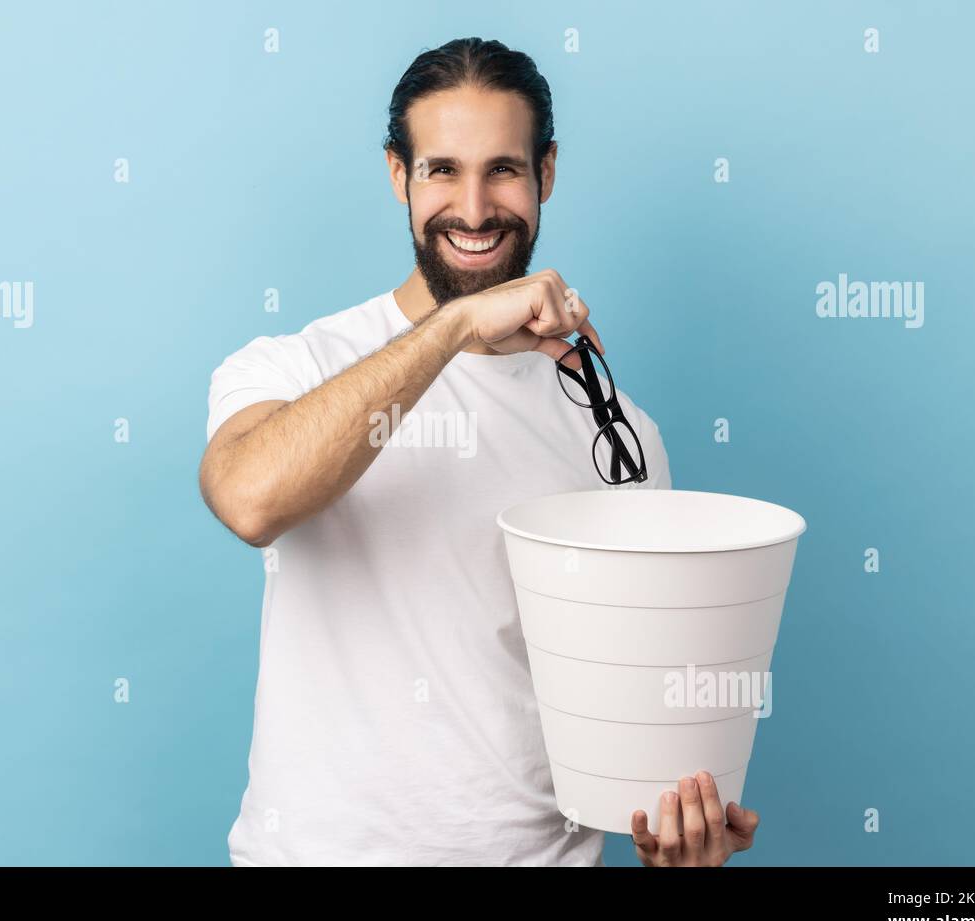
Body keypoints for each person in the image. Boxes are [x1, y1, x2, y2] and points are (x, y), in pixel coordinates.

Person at [198, 37, 759, 866]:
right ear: (399, 176)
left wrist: (674, 838)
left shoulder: (621, 436)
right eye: (440, 171)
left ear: (547, 174)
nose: (472, 207)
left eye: (502, 169)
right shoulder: (294, 367)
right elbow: (249, 499)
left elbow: (636, 700)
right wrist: (458, 323)